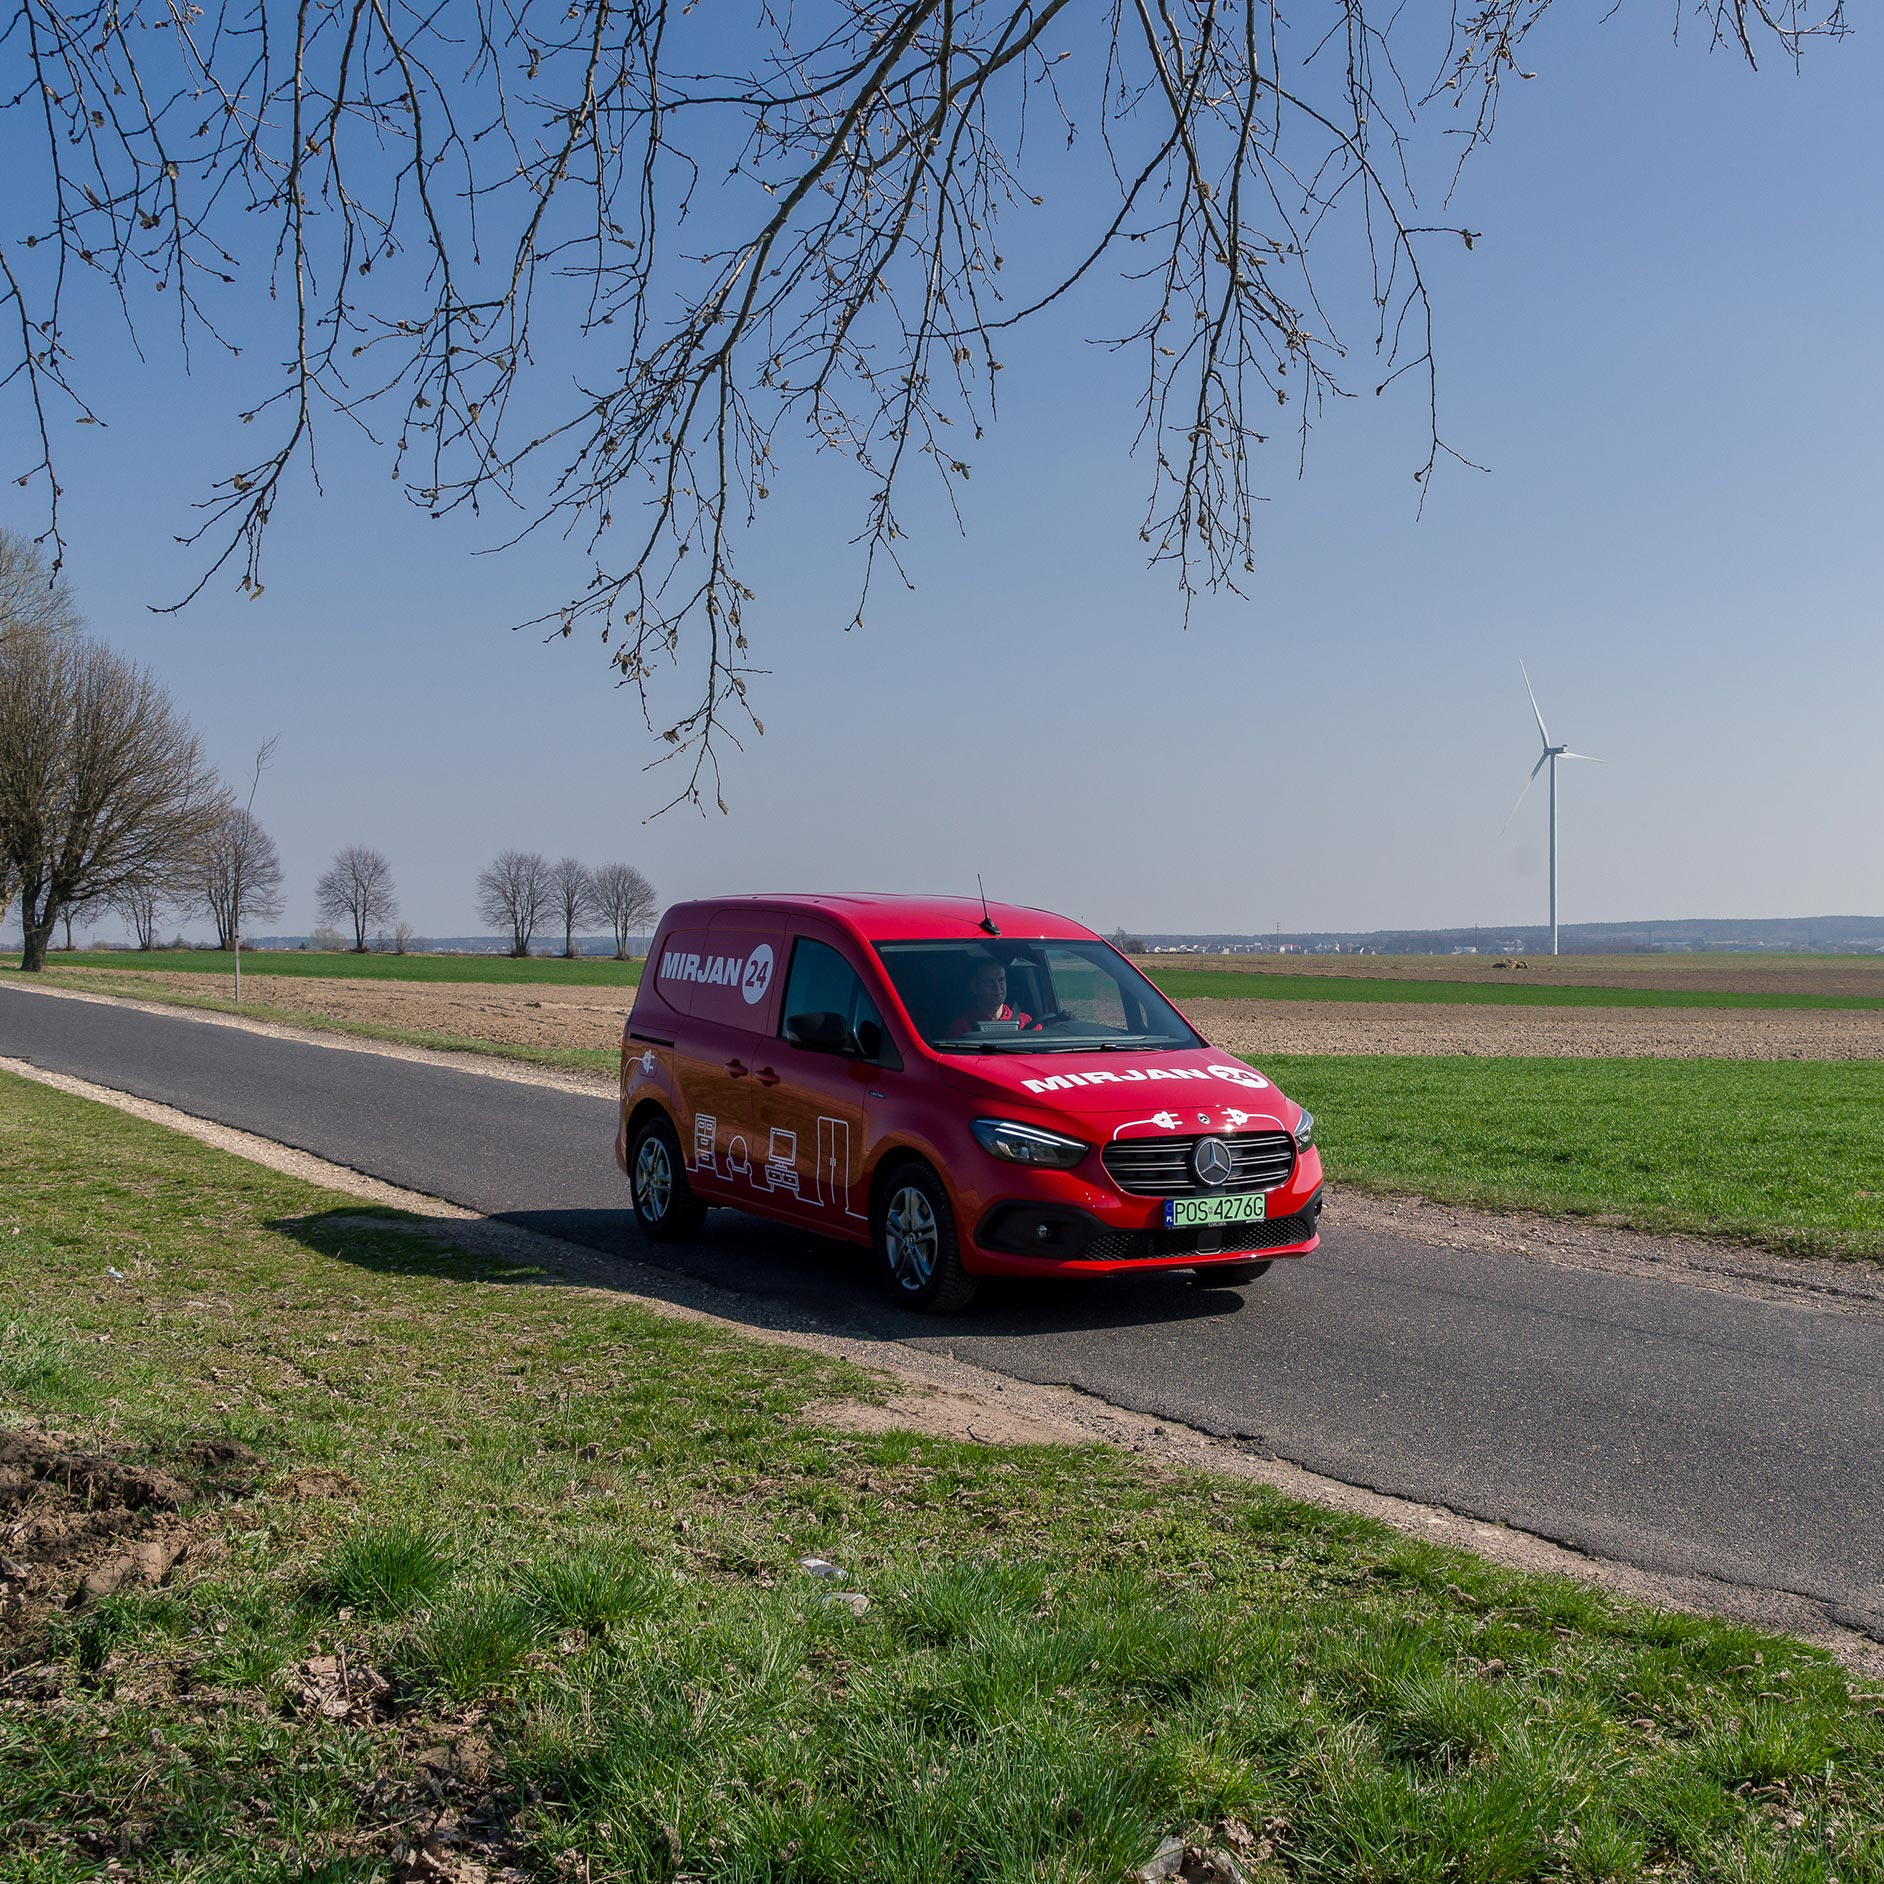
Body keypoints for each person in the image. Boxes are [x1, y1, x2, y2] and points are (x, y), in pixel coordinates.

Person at [945, 956, 1034, 1037]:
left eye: (1001, 980)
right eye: (990, 982)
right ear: (975, 986)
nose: (997, 987)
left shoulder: (1025, 1022)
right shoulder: (962, 1028)